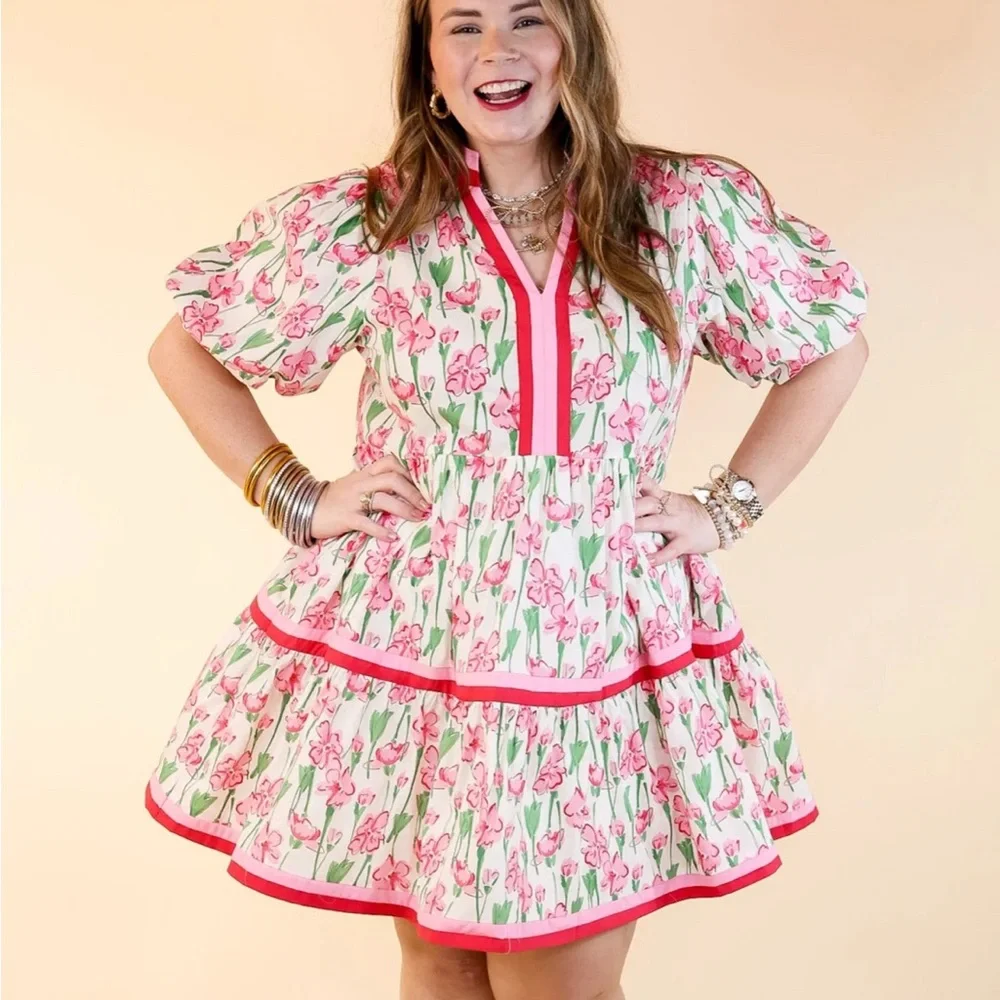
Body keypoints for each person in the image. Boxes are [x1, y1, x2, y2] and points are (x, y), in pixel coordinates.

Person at [144, 0, 871, 996]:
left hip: (590, 636)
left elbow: (830, 349)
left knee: (559, 976)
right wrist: (295, 494)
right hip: (415, 636)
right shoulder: (373, 220)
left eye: (528, 18)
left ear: (575, 40)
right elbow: (185, 351)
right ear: (429, 62)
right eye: (463, 24)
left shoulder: (680, 210)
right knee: (439, 957)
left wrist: (726, 507)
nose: (497, 50)